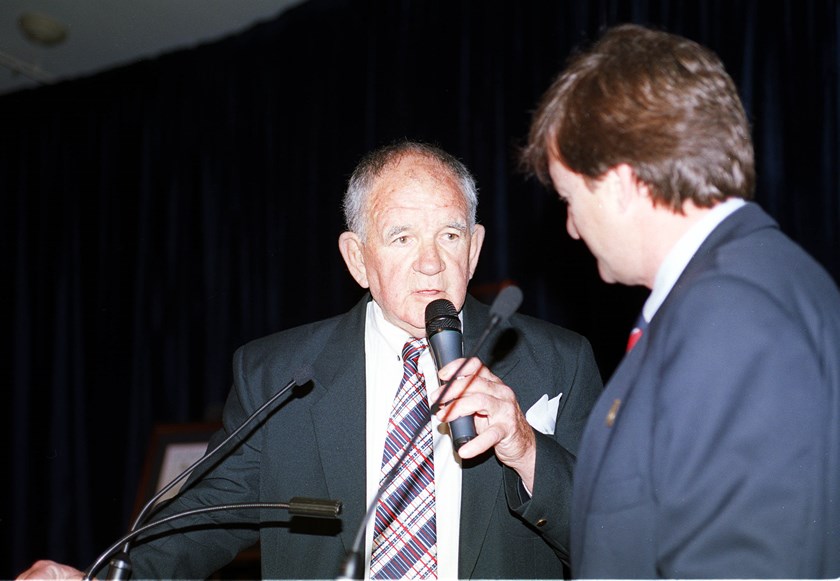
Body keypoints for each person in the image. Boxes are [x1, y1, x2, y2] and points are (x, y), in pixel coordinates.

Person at [20, 141, 603, 580]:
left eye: (449, 236)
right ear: (357, 258)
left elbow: (613, 538)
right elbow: (203, 518)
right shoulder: (279, 373)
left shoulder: (557, 361)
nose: (431, 263)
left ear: (473, 249)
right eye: (402, 237)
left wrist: (528, 449)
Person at [520, 23, 840, 579]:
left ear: (620, 184)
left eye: (570, 199)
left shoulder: (731, 316)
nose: (571, 227)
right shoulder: (751, 284)